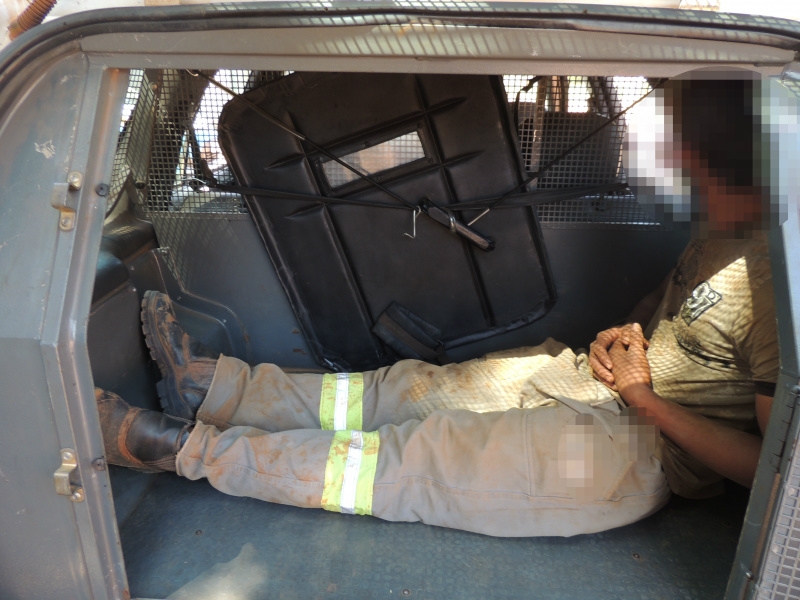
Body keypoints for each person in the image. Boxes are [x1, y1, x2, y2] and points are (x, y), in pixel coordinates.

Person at [96, 75, 783, 537]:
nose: (672, 158)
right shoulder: (721, 226)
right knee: (408, 386)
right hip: (580, 379)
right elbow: (670, 331)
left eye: (684, 145)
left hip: (635, 455)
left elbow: (775, 469)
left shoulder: (778, 279)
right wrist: (621, 338)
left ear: (725, 154)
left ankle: (186, 449)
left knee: (420, 460)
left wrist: (647, 402)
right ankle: (214, 389)